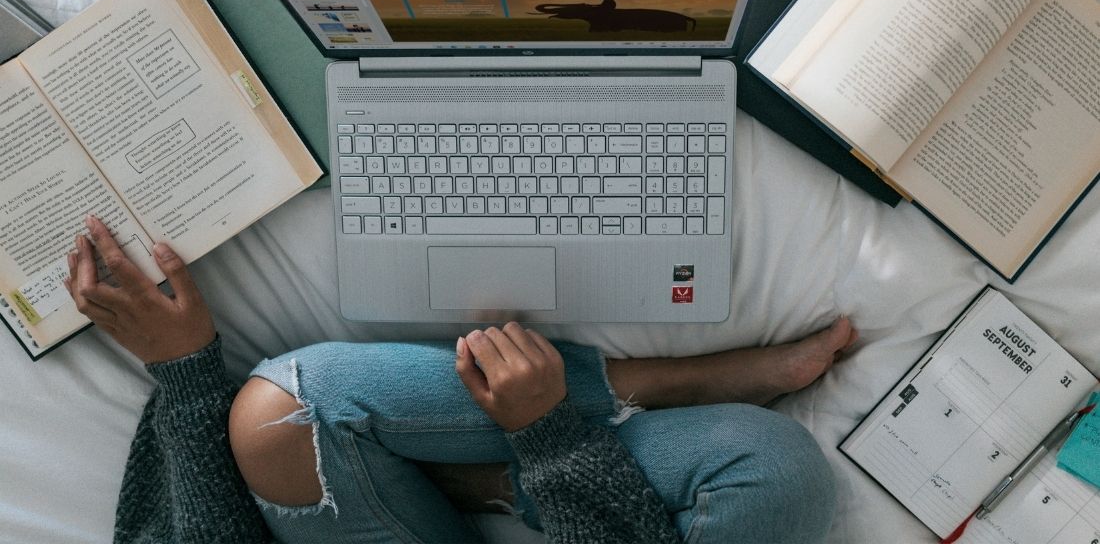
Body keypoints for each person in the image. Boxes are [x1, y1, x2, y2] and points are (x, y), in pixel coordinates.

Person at [65, 215, 857, 544]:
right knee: (778, 468)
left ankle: (625, 390)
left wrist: (187, 370)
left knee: (285, 405)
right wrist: (547, 440)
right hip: (561, 467)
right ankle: (513, 467)